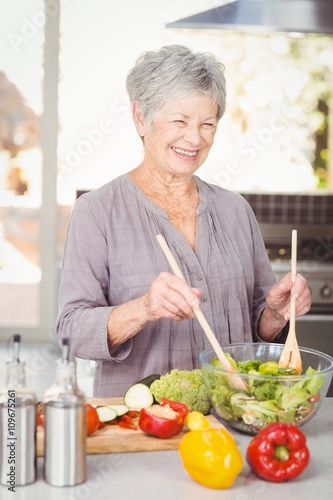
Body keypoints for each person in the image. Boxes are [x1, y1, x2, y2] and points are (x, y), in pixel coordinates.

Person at [56, 45, 311, 397]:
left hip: (232, 418)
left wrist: (277, 314)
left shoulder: (235, 210)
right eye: (179, 121)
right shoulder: (97, 212)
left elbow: (258, 330)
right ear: (140, 117)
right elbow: (71, 331)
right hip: (143, 426)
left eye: (207, 124)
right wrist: (143, 309)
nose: (194, 138)